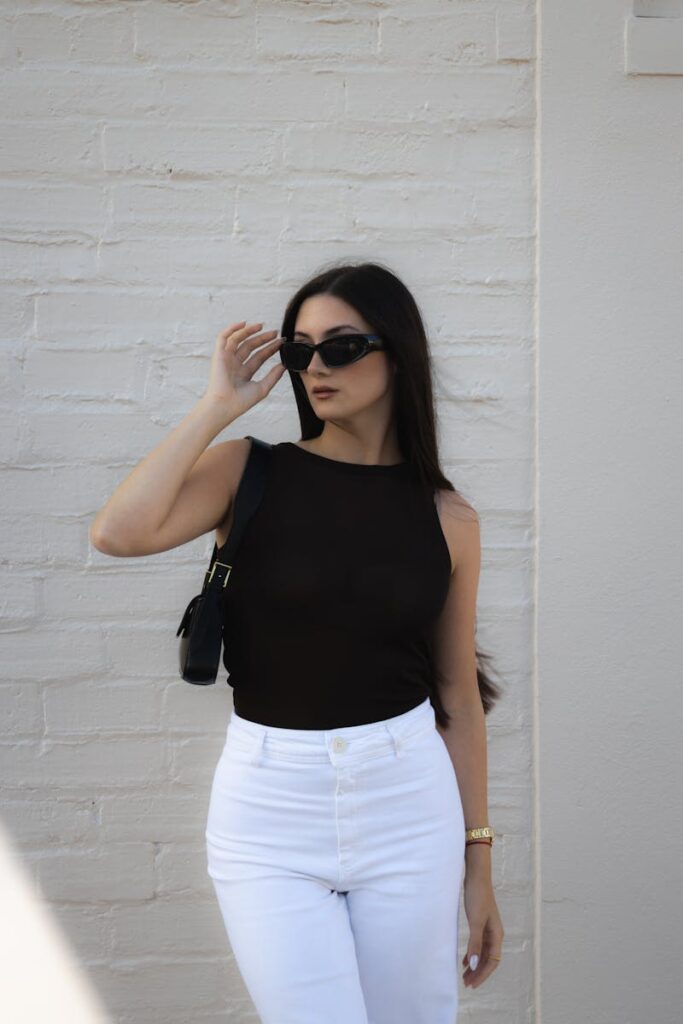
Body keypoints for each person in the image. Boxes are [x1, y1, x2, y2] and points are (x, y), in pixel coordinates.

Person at [90, 261, 505, 1023]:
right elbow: (119, 533)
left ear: (397, 352)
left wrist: (479, 862)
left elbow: (456, 696)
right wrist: (216, 406)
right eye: (298, 348)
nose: (315, 365)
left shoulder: (449, 518)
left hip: (408, 802)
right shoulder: (249, 470)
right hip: (269, 808)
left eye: (341, 346)